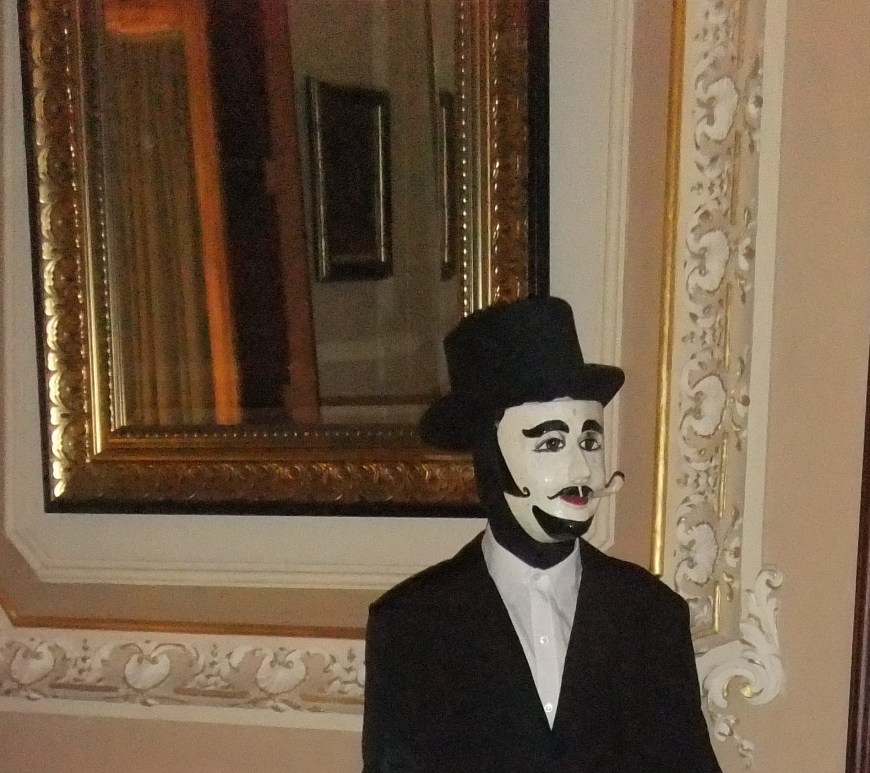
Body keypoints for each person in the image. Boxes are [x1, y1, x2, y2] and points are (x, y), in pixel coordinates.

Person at [362, 297, 721, 772]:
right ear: (489, 458)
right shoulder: (413, 624)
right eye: (551, 443)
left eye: (589, 441)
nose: (582, 470)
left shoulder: (650, 615)